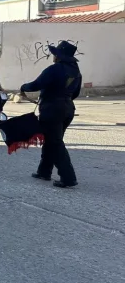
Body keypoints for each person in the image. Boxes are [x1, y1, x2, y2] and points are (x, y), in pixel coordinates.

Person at [20, 40, 81, 188]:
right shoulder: (76, 71)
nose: (53, 56)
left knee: (55, 143)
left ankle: (68, 178)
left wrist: (23, 87)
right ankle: (44, 171)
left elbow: (37, 84)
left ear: (59, 56)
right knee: (51, 140)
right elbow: (76, 93)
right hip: (68, 108)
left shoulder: (54, 69)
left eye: (55, 54)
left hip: (52, 110)